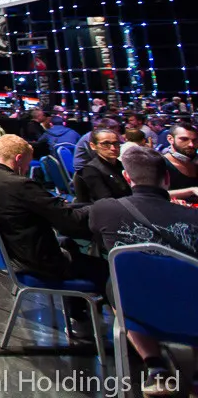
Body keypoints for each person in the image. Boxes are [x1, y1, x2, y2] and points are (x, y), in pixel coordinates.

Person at [0, 135, 104, 338]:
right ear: (18, 158)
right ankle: (127, 333)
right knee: (108, 270)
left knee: (68, 244)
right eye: (26, 162)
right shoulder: (21, 185)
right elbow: (69, 222)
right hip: (37, 261)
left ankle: (77, 316)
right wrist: (101, 210)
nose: (26, 167)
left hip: (11, 253)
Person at [90, 146, 198, 395]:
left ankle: (155, 366)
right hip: (191, 313)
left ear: (127, 177)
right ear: (167, 179)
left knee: (116, 283)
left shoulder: (104, 210)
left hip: (137, 311)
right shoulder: (193, 218)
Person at [72, 128, 132, 204]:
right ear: (93, 146)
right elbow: (106, 202)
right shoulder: (90, 171)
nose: (113, 148)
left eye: (116, 143)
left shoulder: (121, 165)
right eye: (105, 144)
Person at [162, 122, 198, 194]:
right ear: (170, 139)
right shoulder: (160, 163)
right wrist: (191, 191)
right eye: (184, 139)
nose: (191, 144)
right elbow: (152, 195)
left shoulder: (195, 163)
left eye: (194, 140)